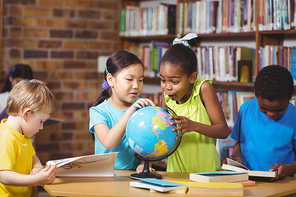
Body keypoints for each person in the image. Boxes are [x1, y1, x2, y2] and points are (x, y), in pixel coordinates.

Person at [159, 33, 230, 173]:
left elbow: (223, 131)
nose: (167, 87)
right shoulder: (167, 95)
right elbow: (163, 133)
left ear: (192, 77)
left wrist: (194, 126)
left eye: (174, 81)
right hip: (175, 173)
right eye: (163, 80)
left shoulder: (203, 89)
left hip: (206, 173)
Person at [221, 65, 296, 181]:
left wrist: (288, 169)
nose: (271, 114)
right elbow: (239, 142)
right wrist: (236, 157)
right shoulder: (246, 109)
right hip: (248, 180)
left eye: (279, 110)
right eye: (263, 108)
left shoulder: (294, 116)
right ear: (256, 96)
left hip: (282, 183)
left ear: (290, 99)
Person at [89, 51, 155, 172]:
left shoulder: (143, 107)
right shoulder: (98, 112)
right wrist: (130, 111)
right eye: (129, 79)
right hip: (105, 176)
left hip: (134, 177)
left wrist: (146, 164)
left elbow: (149, 142)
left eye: (140, 80)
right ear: (111, 80)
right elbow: (109, 143)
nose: (136, 85)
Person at [0, 79, 57, 196]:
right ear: (26, 114)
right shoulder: (6, 137)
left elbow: (33, 156)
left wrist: (36, 167)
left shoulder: (23, 134)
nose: (41, 127)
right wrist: (37, 180)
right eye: (41, 121)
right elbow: (3, 175)